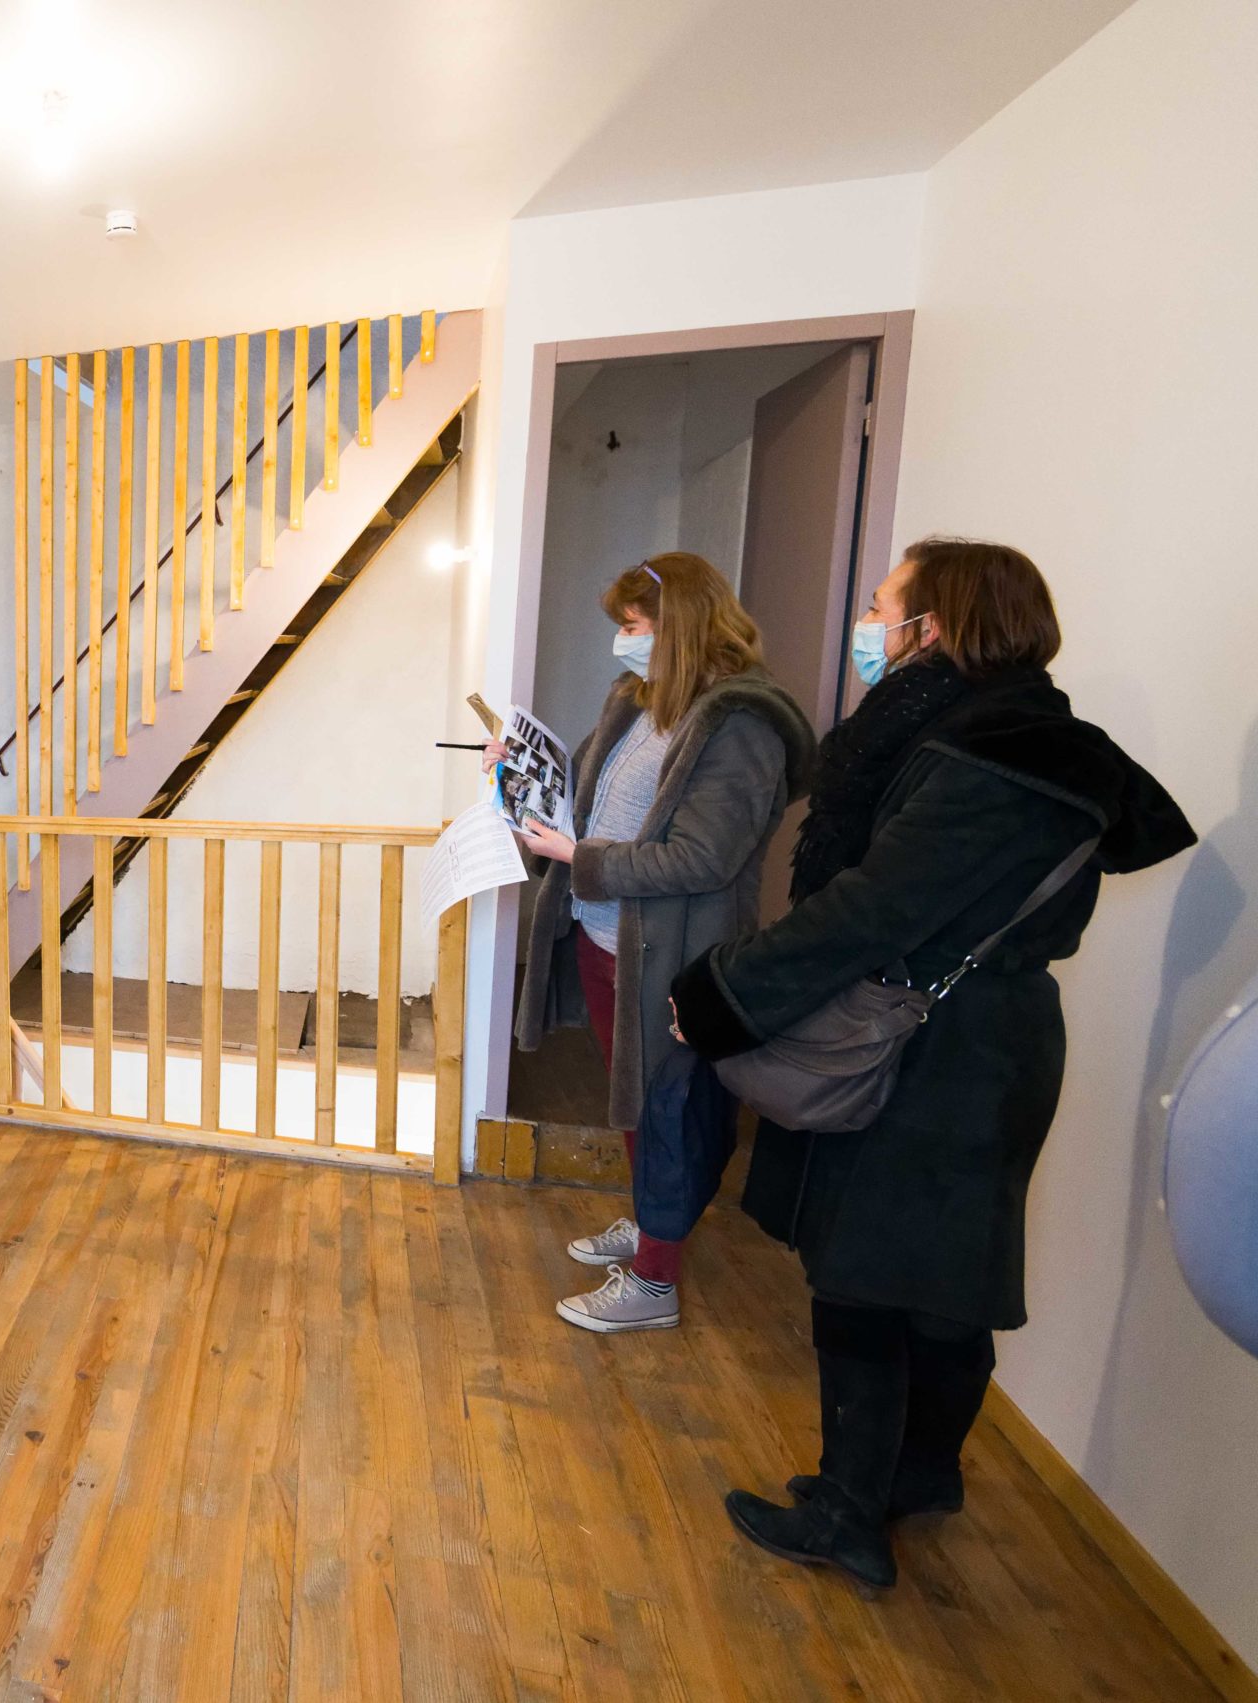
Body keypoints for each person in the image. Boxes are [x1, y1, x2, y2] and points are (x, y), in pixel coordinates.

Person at [671, 538, 1192, 1592]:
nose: (869, 624)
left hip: (936, 1053)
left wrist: (720, 995)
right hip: (981, 1045)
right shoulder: (1028, 741)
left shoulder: (986, 757)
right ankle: (911, 1476)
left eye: (882, 605)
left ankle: (849, 1514)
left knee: (867, 1279)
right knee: (939, 1277)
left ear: (936, 624)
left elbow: (872, 908)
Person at [508, 552, 816, 1334]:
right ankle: (653, 1220)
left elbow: (702, 859)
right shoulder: (641, 700)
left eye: (634, 623)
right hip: (607, 935)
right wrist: (518, 772)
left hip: (675, 953)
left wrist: (578, 857)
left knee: (671, 1107)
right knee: (635, 1100)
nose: (624, 638)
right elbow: (587, 790)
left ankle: (654, 1281)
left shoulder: (742, 724)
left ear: (677, 624)